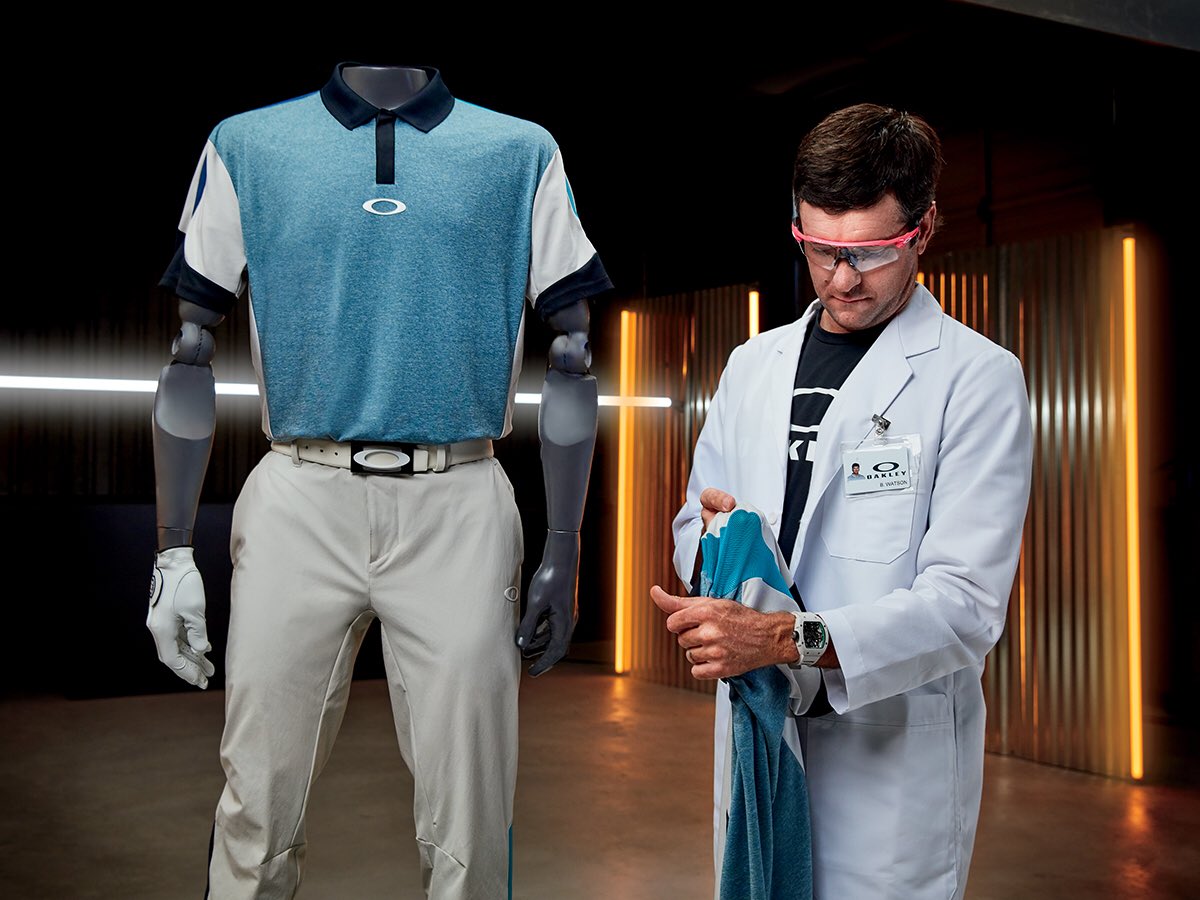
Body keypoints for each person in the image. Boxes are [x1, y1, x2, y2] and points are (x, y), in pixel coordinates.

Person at [146, 63, 611, 899]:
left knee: (471, 822)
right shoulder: (246, 145)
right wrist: (171, 552)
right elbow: (190, 348)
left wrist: (564, 547)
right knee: (257, 807)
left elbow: (574, 355)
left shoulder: (520, 151)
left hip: (460, 499)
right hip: (299, 495)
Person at [652, 103, 1033, 899]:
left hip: (886, 751)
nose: (841, 278)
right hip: (760, 728)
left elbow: (966, 606)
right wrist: (719, 547)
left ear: (924, 230)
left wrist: (787, 637)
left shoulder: (975, 378)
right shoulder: (752, 366)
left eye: (869, 253)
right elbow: (695, 522)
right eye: (820, 249)